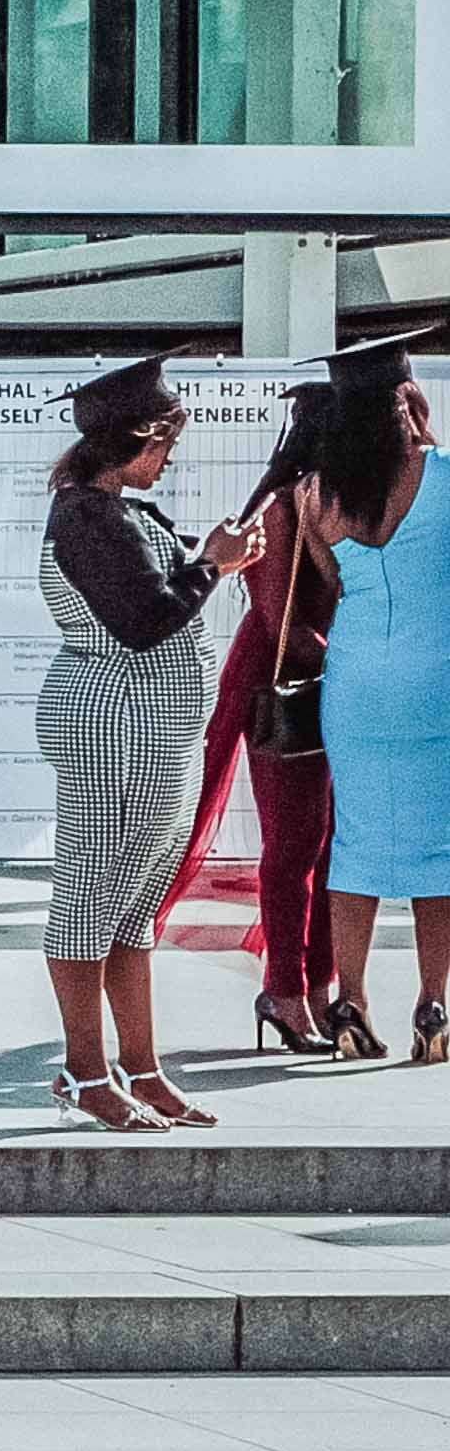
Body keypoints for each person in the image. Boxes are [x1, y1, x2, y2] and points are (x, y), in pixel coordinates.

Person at [38, 356, 261, 1129]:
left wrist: (212, 562)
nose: (167, 460)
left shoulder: (112, 512)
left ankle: (140, 1068)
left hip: (153, 733)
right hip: (117, 728)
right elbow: (143, 622)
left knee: (132, 907)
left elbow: (153, 596)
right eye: (164, 445)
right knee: (90, 897)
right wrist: (214, 565)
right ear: (135, 439)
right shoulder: (89, 518)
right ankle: (84, 1074)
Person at [188, 387, 367, 1061]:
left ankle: (317, 988)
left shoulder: (335, 504)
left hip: (327, 683)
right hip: (283, 687)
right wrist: (364, 660)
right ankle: (284, 991)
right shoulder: (282, 510)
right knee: (293, 845)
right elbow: (281, 627)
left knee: (331, 848)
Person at [298, 354, 450, 1067]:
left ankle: (351, 1002)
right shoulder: (443, 475)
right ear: (407, 400)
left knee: (354, 839)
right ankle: (433, 1002)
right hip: (437, 676)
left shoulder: (318, 492)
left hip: (355, 680)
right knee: (440, 847)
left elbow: (333, 579)